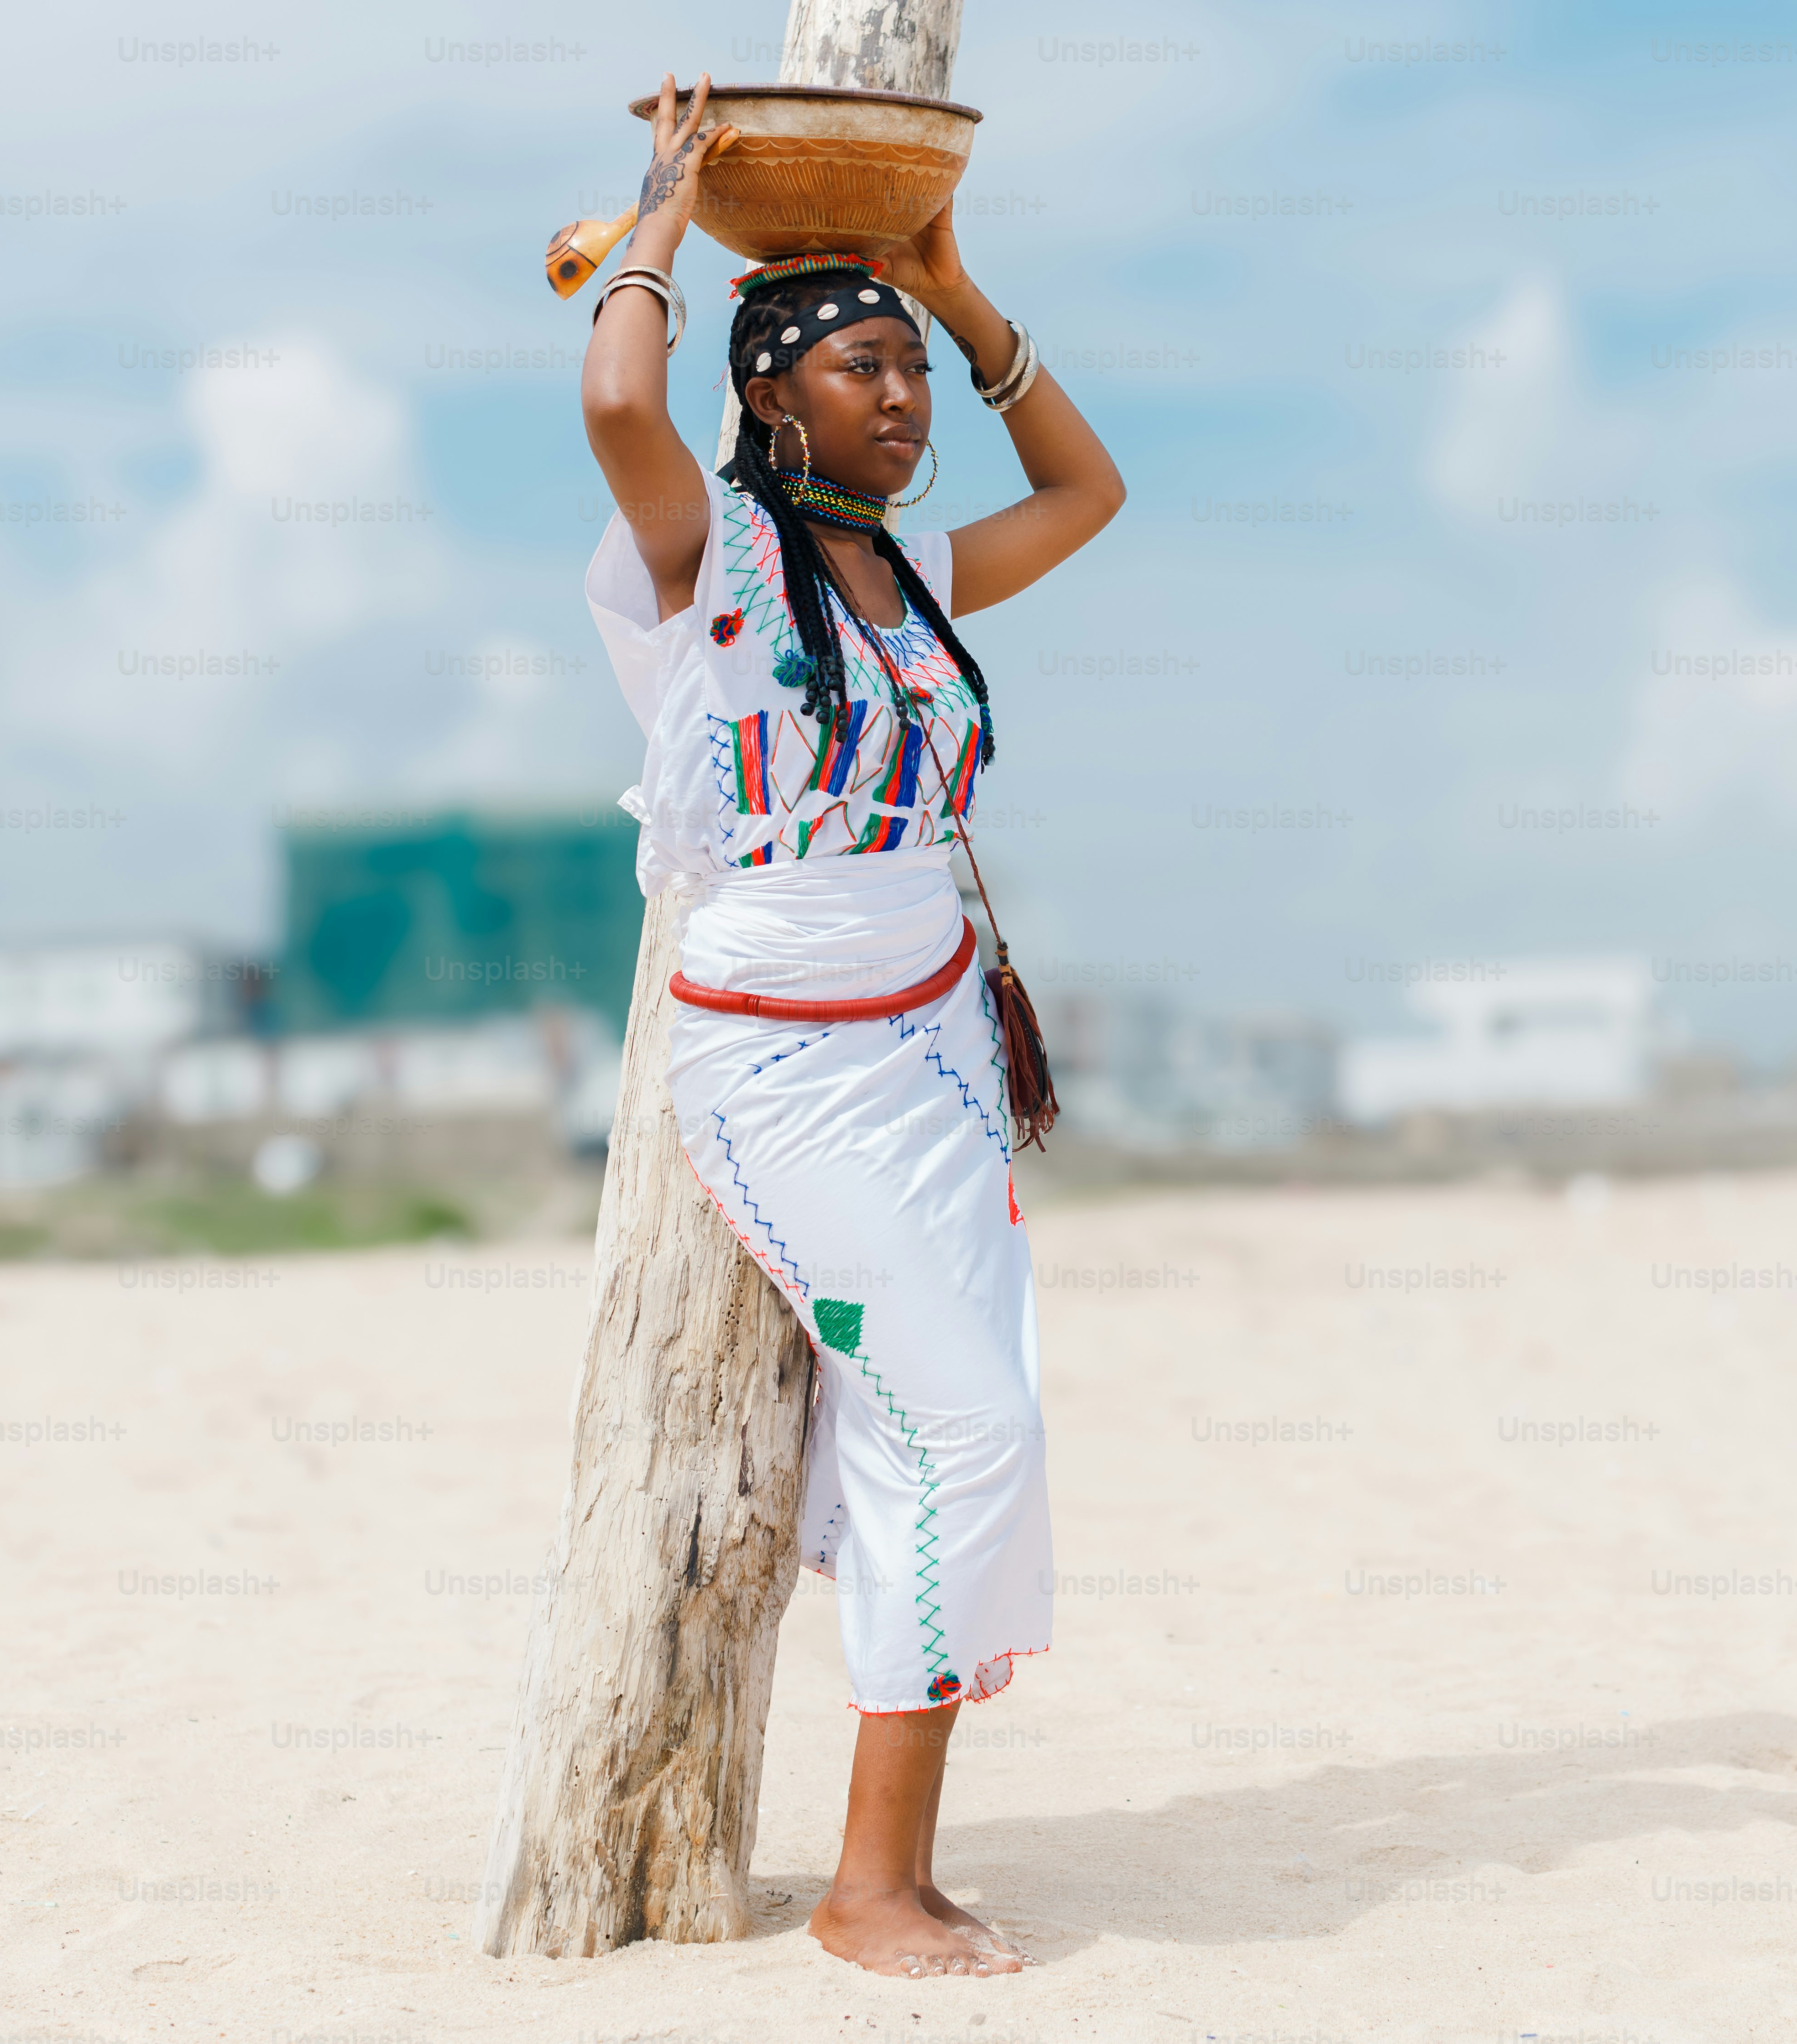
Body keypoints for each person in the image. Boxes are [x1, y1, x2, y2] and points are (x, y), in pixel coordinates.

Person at [578, 75, 1124, 1980]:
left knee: (971, 1427)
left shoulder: (916, 586)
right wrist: (661, 205)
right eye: (862, 367)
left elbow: (1088, 490)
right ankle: (865, 1886)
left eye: (909, 372)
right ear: (773, 397)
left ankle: (895, 1864)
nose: (897, 399)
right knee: (954, 1420)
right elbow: (617, 403)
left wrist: (962, 296)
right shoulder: (712, 565)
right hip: (786, 1066)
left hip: (936, 1048)